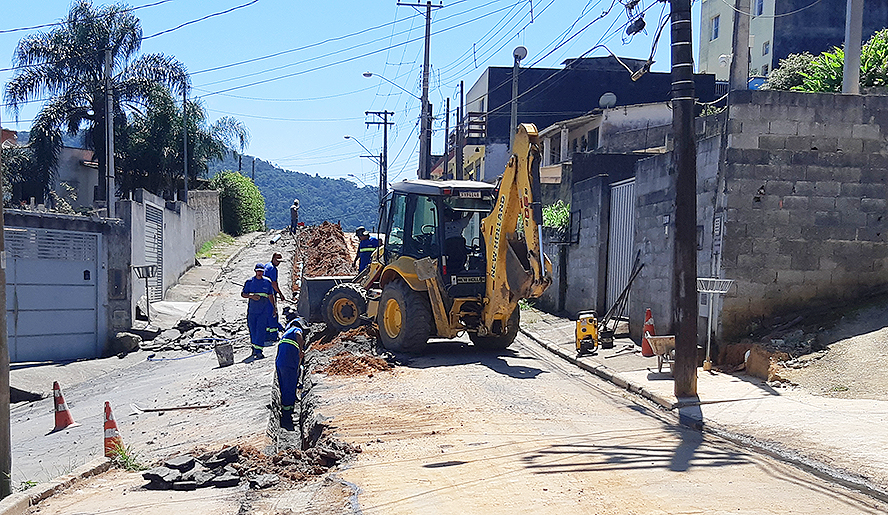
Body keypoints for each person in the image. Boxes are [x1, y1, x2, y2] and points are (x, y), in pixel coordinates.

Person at [276, 317, 307, 431]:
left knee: (284, 386)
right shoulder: (296, 329)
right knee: (290, 387)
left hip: (281, 362)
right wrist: (301, 349)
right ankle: (287, 416)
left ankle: (286, 412)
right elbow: (299, 334)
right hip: (289, 360)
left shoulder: (286, 334)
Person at [241, 263, 277, 360]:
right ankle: (254, 347)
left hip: (263, 312)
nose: (260, 273)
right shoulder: (249, 282)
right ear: (255, 271)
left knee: (261, 330)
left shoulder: (267, 282)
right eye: (258, 271)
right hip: (252, 311)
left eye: (261, 271)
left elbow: (271, 296)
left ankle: (259, 351)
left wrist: (274, 308)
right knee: (252, 330)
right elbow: (243, 294)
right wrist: (251, 296)